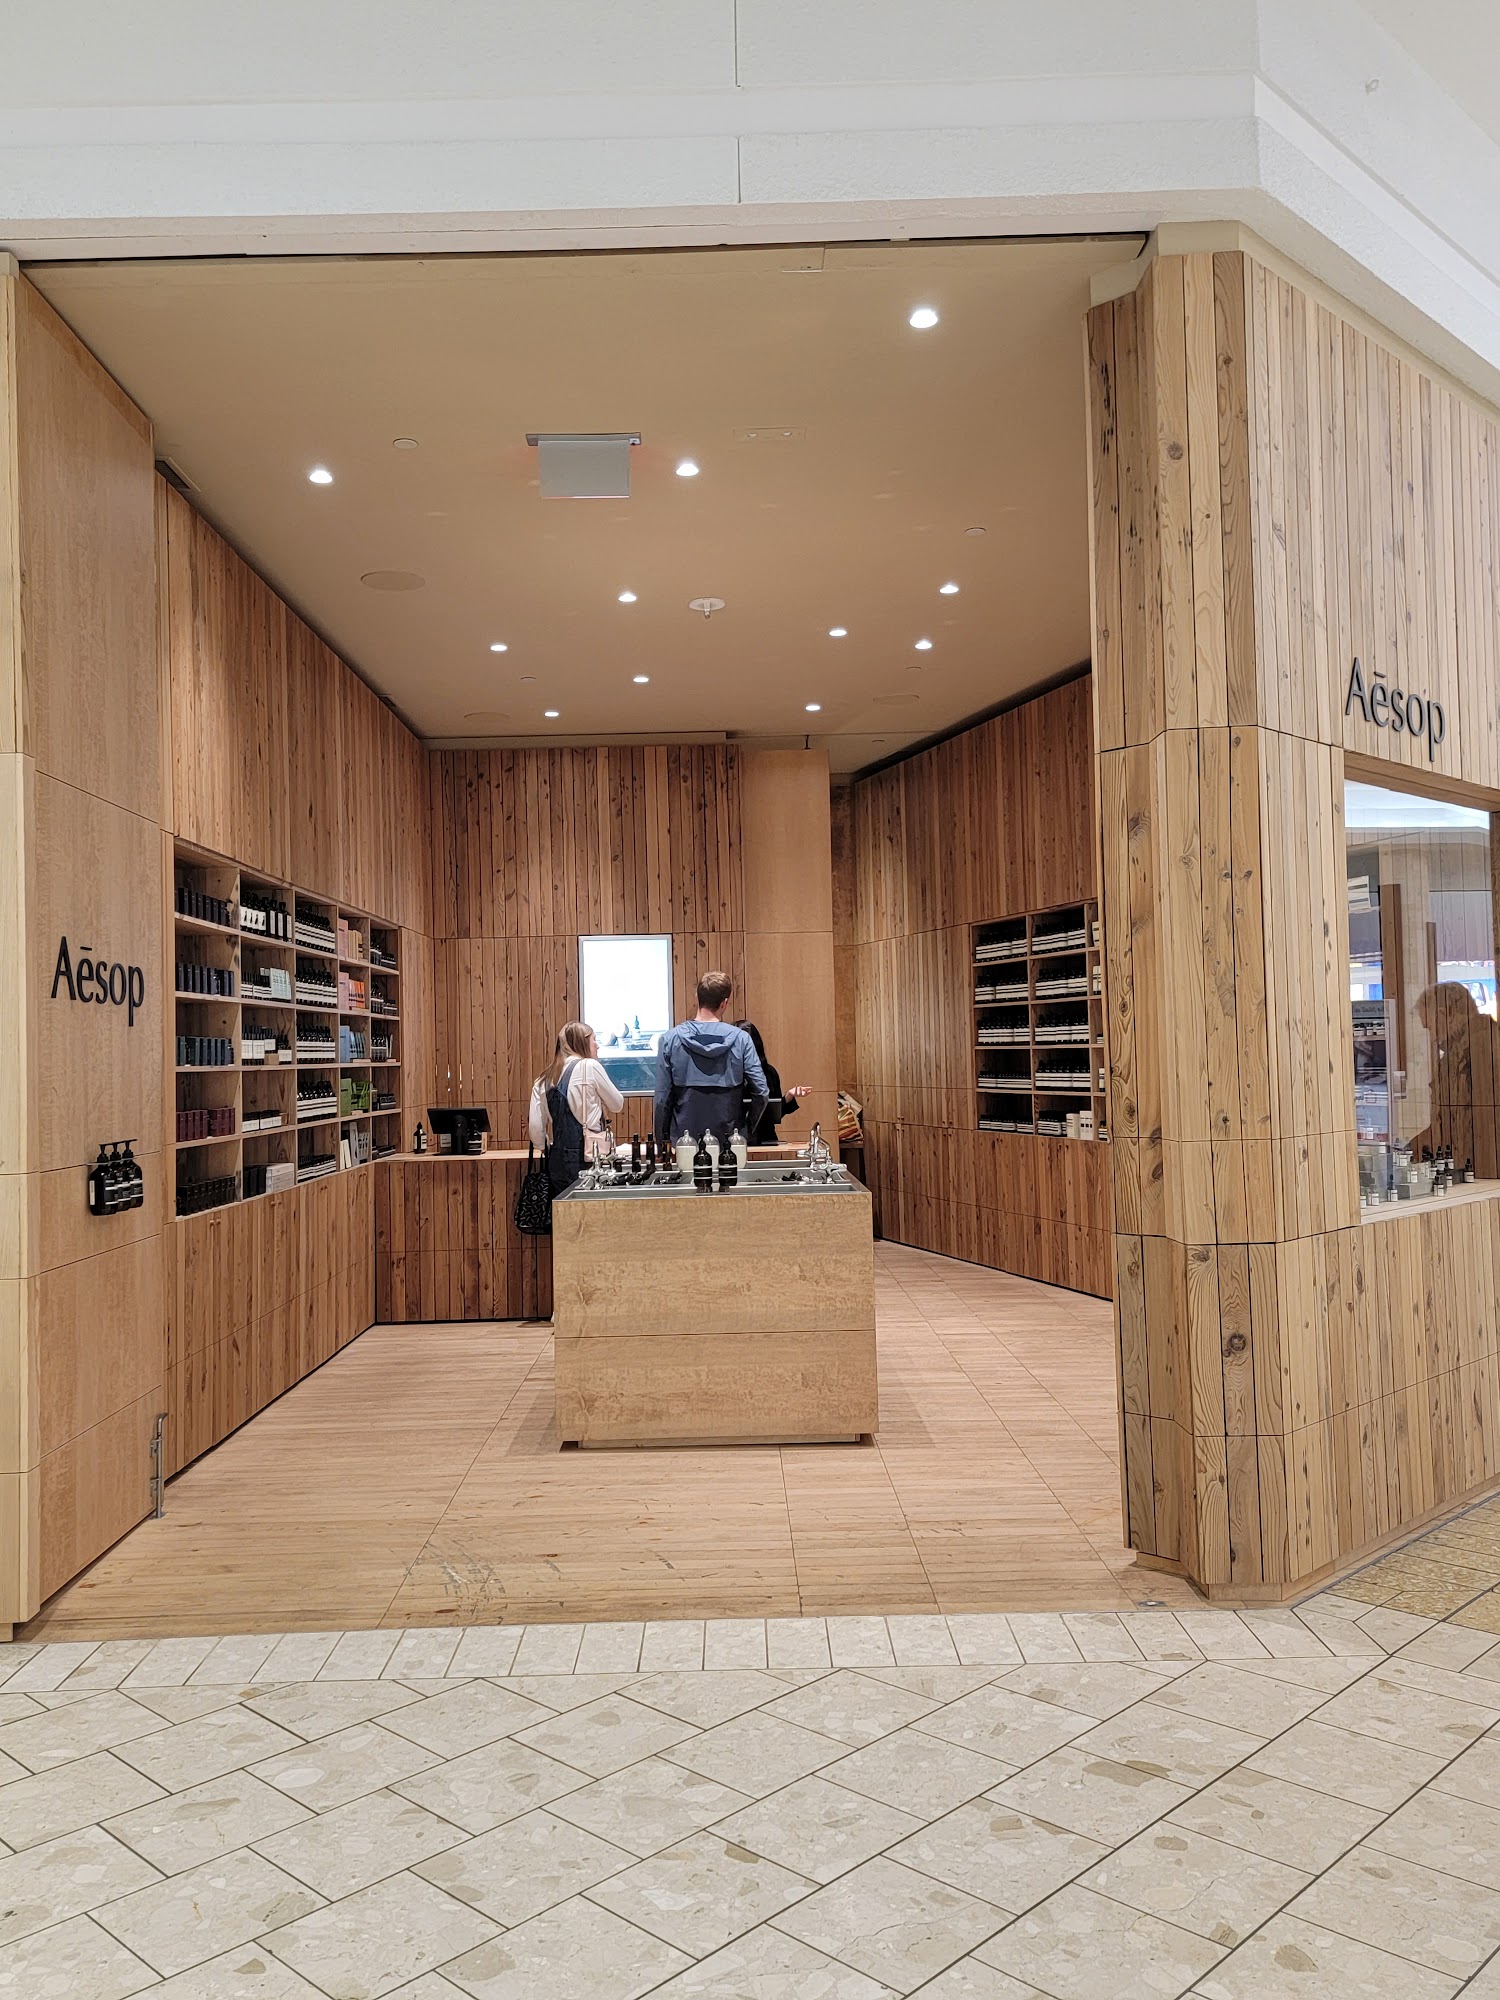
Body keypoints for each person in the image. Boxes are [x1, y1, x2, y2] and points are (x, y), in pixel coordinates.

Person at [654, 970, 768, 1154]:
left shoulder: (670, 1039)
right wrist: (747, 1130)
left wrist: (662, 1143)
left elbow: (661, 1100)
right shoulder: (742, 1039)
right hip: (730, 1144)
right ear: (724, 1003)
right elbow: (761, 1092)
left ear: (697, 996)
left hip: (684, 1144)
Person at [1410, 982, 1500, 1179]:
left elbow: (1476, 1121)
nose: (1433, 1038)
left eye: (1430, 1028)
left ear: (1444, 1015)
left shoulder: (1481, 1048)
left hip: (1482, 1170)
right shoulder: (1458, 1052)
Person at [528, 1022, 624, 1193]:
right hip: (589, 1158)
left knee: (564, 1208)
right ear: (582, 1042)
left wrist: (544, 1147)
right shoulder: (590, 1067)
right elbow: (617, 1104)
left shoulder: (544, 1079)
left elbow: (536, 1129)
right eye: (594, 1039)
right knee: (591, 1207)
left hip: (557, 1161)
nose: (597, 1045)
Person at [736, 1020, 809, 1145]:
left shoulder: (769, 1072)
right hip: (734, 1138)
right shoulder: (727, 1073)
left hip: (765, 1136)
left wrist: (789, 1096)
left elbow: (775, 1113)